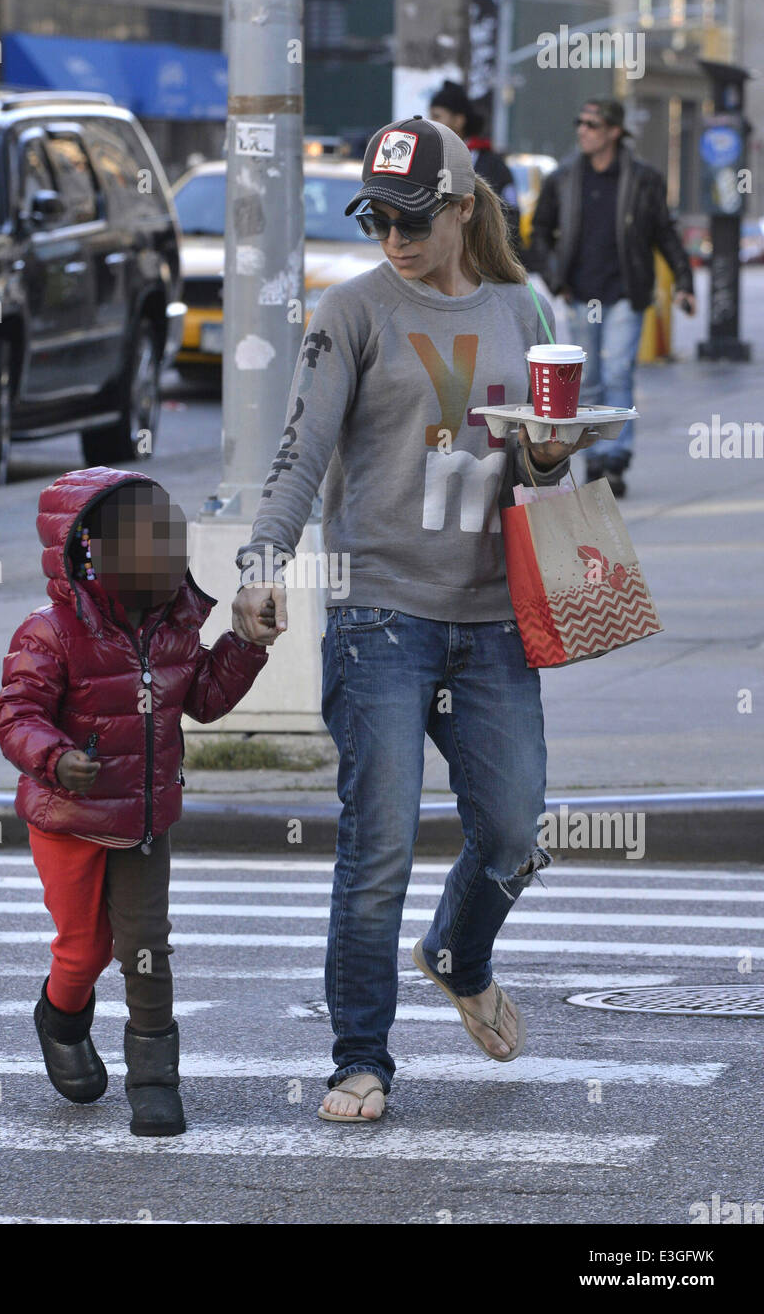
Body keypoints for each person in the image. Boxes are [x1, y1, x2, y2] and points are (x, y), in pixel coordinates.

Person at [231, 115, 602, 1122]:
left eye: (411, 217)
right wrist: (262, 563)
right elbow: (301, 454)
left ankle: (459, 952)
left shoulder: (527, 309)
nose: (392, 236)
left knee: (518, 833)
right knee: (380, 844)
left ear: (462, 207)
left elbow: (545, 465)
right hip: (380, 617)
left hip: (490, 620)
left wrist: (549, 452)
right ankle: (360, 1057)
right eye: (376, 217)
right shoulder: (350, 311)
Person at [0, 467, 270, 1136]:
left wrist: (247, 644)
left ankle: (154, 1080)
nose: (167, 554)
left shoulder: (175, 623)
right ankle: (61, 1021)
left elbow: (202, 698)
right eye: (146, 541)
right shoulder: (51, 630)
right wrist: (57, 757)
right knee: (84, 952)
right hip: (70, 821)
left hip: (144, 822)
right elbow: (16, 713)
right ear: (89, 550)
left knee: (147, 947)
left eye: (169, 537)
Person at [529, 96, 696, 497]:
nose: (582, 130)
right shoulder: (565, 177)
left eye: (592, 124)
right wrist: (555, 280)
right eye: (580, 123)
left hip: (624, 293)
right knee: (590, 382)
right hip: (581, 294)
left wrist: (685, 283)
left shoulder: (642, 179)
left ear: (614, 132)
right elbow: (538, 232)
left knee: (619, 372)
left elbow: (665, 233)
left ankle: (617, 458)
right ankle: (594, 458)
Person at [430, 79, 522, 256]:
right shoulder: (429, 161)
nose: (431, 123)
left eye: (437, 116)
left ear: (458, 120)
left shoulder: (493, 166)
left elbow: (511, 218)